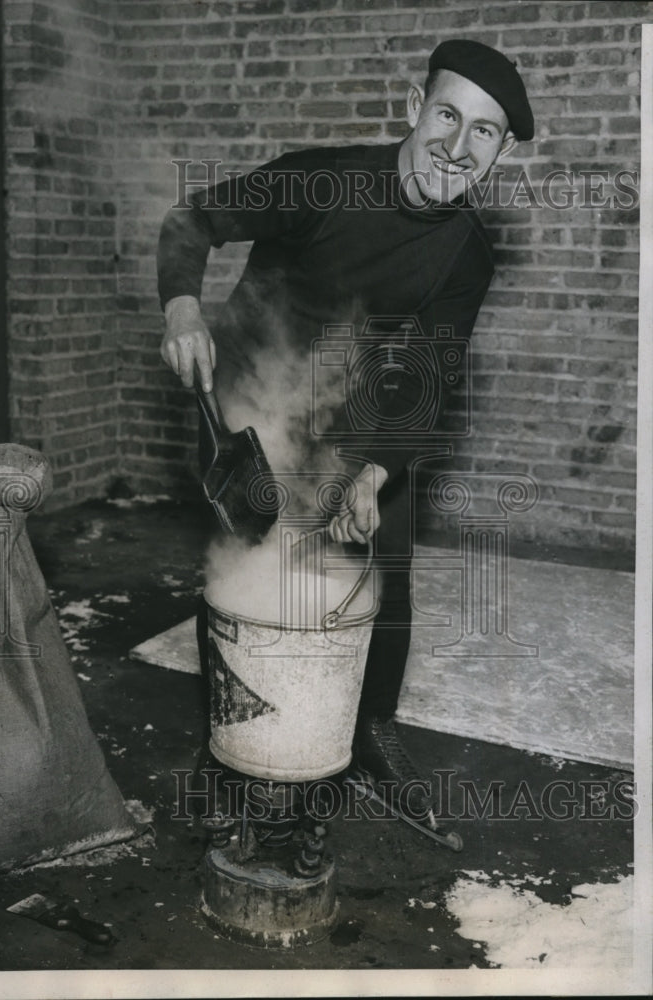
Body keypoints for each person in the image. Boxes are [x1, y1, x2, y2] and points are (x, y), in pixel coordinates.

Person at [157, 39, 534, 832]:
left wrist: (371, 472)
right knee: (247, 559)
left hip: (353, 410)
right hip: (250, 399)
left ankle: (371, 731)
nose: (458, 147)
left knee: (383, 557)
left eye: (486, 133)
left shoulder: (467, 253)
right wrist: (182, 307)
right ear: (412, 108)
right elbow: (190, 219)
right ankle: (228, 738)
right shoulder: (321, 179)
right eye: (447, 115)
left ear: (500, 153)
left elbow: (428, 372)